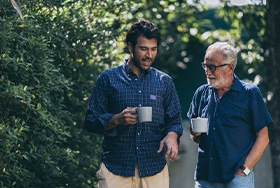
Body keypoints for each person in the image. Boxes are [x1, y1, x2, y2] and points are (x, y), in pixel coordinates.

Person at [84, 19, 183, 188]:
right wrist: (116, 119)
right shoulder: (108, 79)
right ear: (130, 47)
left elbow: (174, 121)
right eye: (143, 49)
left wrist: (172, 136)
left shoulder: (164, 82)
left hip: (154, 168)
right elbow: (90, 121)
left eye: (153, 49)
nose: (149, 55)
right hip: (116, 168)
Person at [187, 42, 273, 188]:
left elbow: (263, 136)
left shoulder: (250, 93)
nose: (207, 71)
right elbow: (195, 137)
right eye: (205, 66)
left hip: (237, 178)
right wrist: (195, 131)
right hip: (205, 176)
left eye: (212, 67)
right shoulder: (201, 93)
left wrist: (245, 169)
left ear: (230, 67)